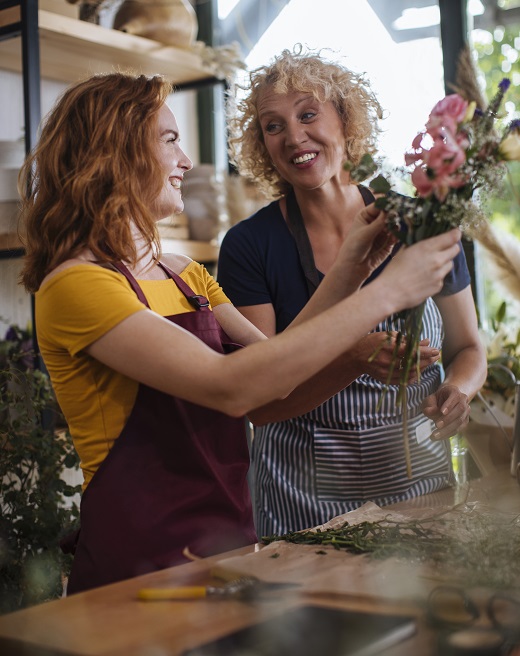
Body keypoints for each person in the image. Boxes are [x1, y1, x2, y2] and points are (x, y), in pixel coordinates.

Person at [19, 71, 461, 594]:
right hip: (143, 560)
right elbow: (230, 386)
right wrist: (383, 297)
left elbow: (276, 379)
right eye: (170, 140)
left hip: (228, 541)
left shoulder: (185, 274)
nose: (185, 161)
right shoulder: (75, 285)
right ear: (114, 154)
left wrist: (353, 267)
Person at [218, 46, 487, 537]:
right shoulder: (248, 246)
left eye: (307, 115)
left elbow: (468, 346)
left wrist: (458, 390)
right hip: (301, 496)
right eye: (272, 125)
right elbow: (261, 401)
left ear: (345, 119)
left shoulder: (420, 218)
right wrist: (353, 359)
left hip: (419, 479)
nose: (293, 136)